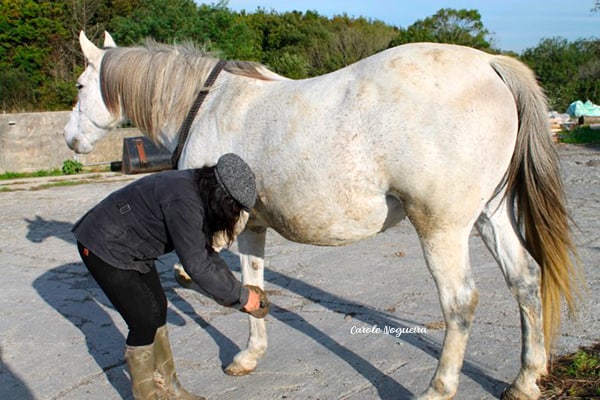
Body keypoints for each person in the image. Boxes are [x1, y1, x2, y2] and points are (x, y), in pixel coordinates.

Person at [73, 153, 269, 400]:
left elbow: (205, 254)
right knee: (143, 320)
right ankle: (147, 395)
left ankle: (170, 389)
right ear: (223, 197)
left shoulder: (198, 189)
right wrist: (241, 297)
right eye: (235, 209)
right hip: (103, 245)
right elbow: (197, 266)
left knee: (158, 309)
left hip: (133, 246)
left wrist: (238, 292)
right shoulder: (184, 201)